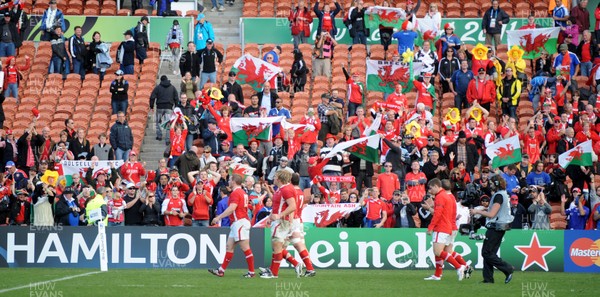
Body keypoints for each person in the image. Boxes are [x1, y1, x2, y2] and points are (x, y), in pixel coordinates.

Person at [469, 175, 515, 284]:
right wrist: (485, 209)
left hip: (496, 226)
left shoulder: (498, 195)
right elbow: (496, 210)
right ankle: (488, 279)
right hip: (500, 226)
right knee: (490, 253)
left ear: (496, 184)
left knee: (486, 253)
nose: (490, 185)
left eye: (492, 183)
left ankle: (507, 268)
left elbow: (491, 214)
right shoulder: (503, 194)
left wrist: (477, 211)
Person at [425, 178, 466, 281]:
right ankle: (438, 275)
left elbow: (437, 214)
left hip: (441, 227)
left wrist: (431, 227)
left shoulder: (440, 197)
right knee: (443, 251)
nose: (430, 191)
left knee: (438, 251)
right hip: (448, 226)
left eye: (430, 188)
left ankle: (460, 267)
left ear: (436, 186)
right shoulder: (447, 196)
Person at [260, 170, 297, 279]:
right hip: (280, 221)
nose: (274, 178)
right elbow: (276, 202)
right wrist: (268, 190)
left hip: (281, 221)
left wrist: (280, 215)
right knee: (277, 246)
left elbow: (293, 206)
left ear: (279, 179)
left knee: (277, 245)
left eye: (275, 176)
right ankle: (274, 270)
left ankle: (274, 273)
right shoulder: (282, 189)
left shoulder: (286, 189)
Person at [150, 75, 178, 143]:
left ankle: (159, 136)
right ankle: (167, 139)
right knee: (168, 123)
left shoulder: (158, 87)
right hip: (169, 107)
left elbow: (152, 97)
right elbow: (176, 98)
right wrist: (176, 107)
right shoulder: (172, 87)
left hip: (159, 107)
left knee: (158, 122)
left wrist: (151, 106)